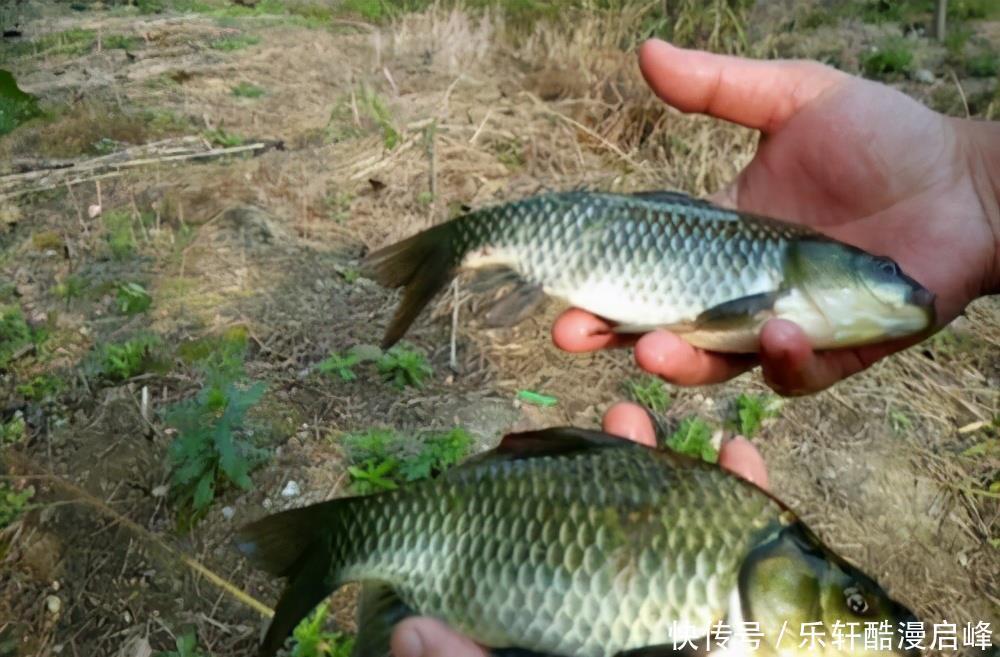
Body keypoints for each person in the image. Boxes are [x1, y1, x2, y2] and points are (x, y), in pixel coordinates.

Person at [389, 38, 1000, 657]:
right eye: (884, 270)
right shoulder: (784, 259)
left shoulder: (797, 269)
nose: (904, 286)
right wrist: (975, 185)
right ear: (817, 262)